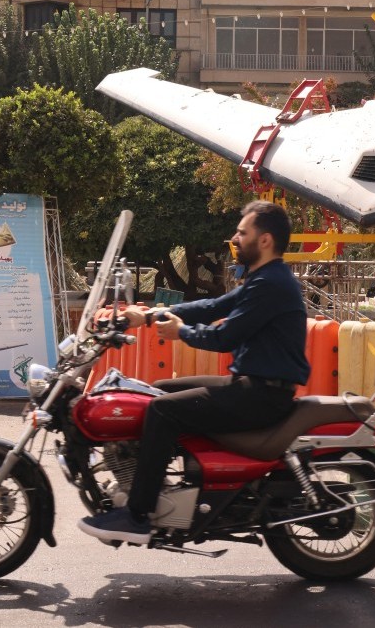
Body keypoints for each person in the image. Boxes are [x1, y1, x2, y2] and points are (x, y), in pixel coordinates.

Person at [78, 200, 310, 545]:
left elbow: (225, 335)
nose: (234, 238)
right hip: (252, 384)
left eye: (242, 232)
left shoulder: (272, 283)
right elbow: (213, 306)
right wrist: (153, 314)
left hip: (262, 394)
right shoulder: (264, 278)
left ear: (264, 240)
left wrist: (180, 333)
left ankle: (138, 514)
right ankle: (166, 488)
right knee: (154, 391)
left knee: (160, 410)